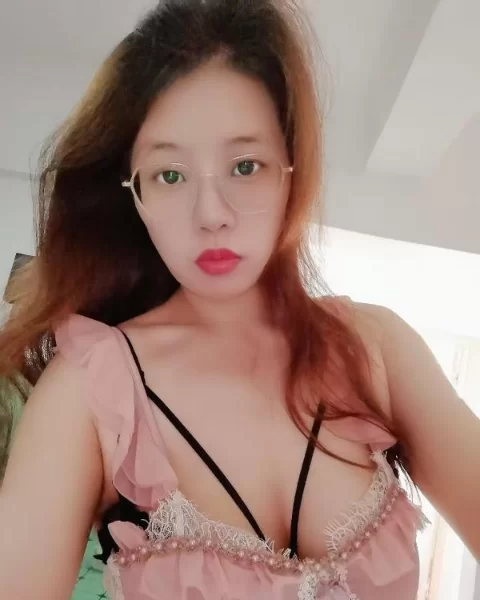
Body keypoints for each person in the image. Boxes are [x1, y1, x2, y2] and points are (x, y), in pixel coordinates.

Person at [0, 1, 478, 599]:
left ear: (291, 169)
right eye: (170, 174)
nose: (212, 215)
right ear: (135, 194)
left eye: (245, 165)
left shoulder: (376, 350)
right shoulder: (91, 392)